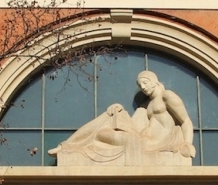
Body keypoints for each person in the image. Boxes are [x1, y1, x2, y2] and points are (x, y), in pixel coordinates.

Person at [49, 71, 196, 166]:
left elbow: (185, 121)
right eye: (140, 85)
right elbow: (135, 125)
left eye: (145, 83)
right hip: (138, 139)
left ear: (154, 81)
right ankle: (67, 147)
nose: (143, 87)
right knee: (110, 117)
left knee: (103, 131)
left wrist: (188, 145)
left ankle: (67, 147)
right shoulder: (146, 106)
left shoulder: (167, 96)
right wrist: (119, 111)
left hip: (149, 144)